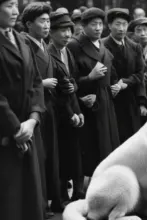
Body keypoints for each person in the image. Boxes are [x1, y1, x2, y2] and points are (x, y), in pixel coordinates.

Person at [0, 0, 45, 219]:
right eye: (9, 5)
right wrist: (15, 128)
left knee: (30, 197)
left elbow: (36, 82)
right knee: (9, 199)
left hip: (27, 129)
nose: (16, 11)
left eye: (16, 5)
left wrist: (33, 119)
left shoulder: (20, 39)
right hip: (6, 132)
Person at [67, 7, 121, 177]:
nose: (98, 28)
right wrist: (89, 77)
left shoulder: (102, 45)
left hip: (106, 101)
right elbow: (69, 79)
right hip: (86, 103)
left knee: (108, 145)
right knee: (91, 148)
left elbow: (113, 73)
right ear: (83, 26)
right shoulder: (74, 45)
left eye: (100, 24)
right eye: (93, 24)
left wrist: (116, 84)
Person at [21, 2, 60, 216]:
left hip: (49, 107)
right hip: (32, 107)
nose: (47, 26)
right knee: (39, 156)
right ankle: (40, 203)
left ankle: (50, 199)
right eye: (42, 21)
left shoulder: (44, 45)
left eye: (48, 21)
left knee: (50, 155)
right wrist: (41, 83)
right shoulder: (25, 44)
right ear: (28, 24)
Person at [47, 11, 85, 206]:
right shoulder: (48, 53)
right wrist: (71, 114)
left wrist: (78, 111)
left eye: (69, 30)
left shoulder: (67, 51)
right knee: (60, 155)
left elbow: (72, 83)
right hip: (58, 114)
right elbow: (56, 90)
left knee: (74, 153)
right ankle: (60, 197)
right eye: (62, 30)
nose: (67, 34)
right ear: (51, 33)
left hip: (72, 110)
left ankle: (77, 193)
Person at [102, 8, 147, 143]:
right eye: (117, 24)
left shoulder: (135, 46)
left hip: (130, 99)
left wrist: (141, 102)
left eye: (124, 24)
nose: (121, 28)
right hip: (111, 99)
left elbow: (140, 73)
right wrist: (116, 85)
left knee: (132, 137)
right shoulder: (101, 46)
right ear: (109, 25)